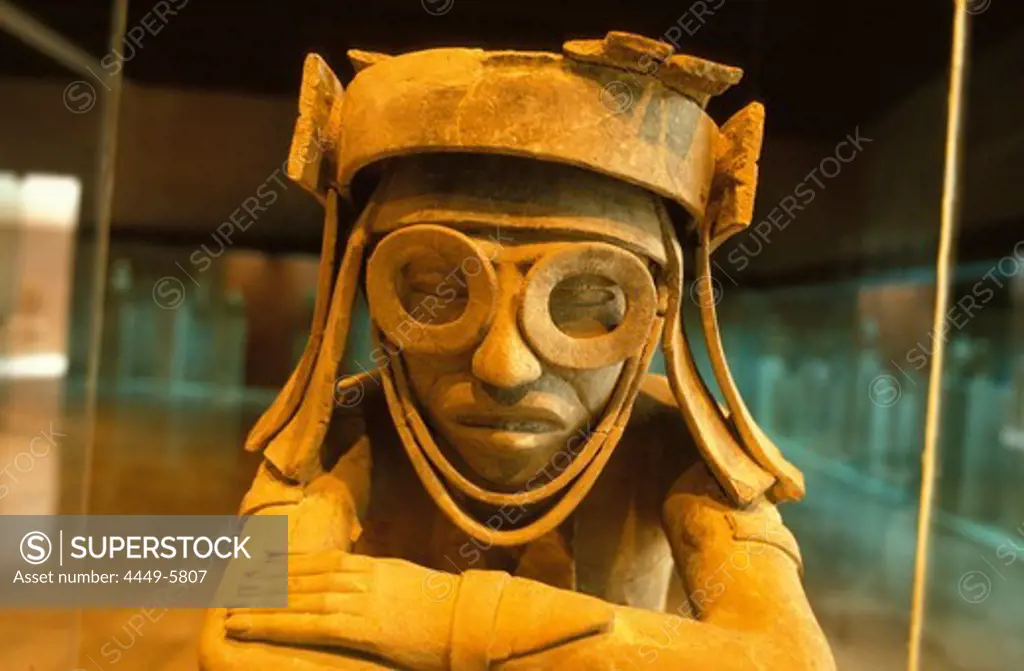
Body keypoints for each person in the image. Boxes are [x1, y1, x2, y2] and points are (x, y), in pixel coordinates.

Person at [200, 32, 835, 670]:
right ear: (366, 288)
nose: (504, 367)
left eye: (583, 303)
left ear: (658, 309)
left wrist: (438, 620)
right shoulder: (340, 434)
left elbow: (791, 661)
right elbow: (237, 651)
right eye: (437, 292)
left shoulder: (677, 448)